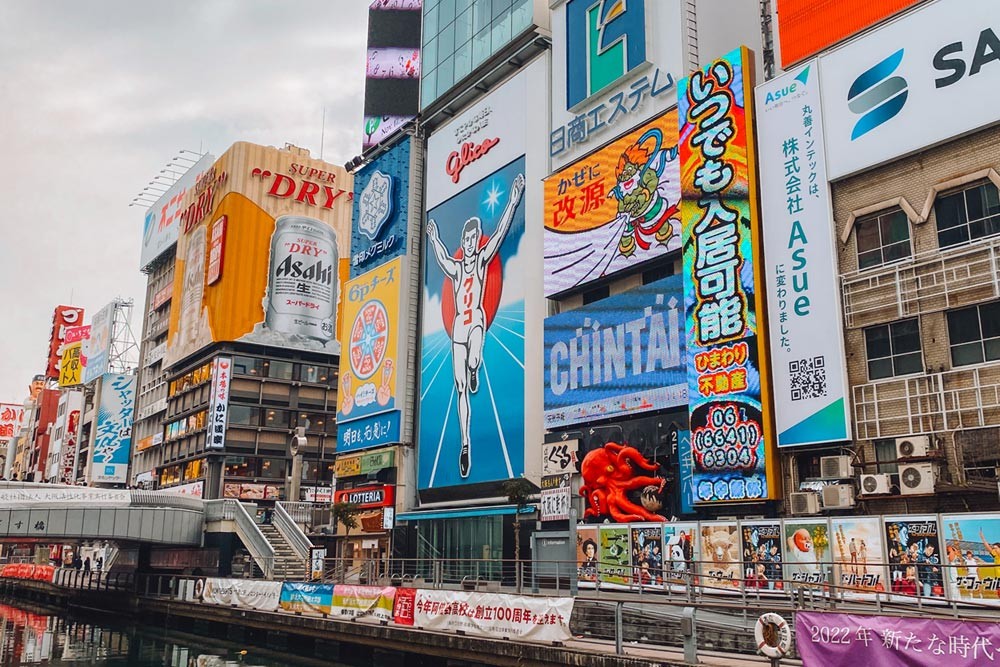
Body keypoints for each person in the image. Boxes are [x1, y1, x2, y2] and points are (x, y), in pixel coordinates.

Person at [425, 173, 525, 478]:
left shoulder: (481, 260)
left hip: (476, 320)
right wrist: (433, 237)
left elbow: (502, 231)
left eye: (474, 238)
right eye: (467, 240)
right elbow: (441, 257)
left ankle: (473, 369)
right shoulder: (456, 268)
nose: (470, 243)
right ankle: (465, 444)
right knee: (459, 389)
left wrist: (514, 199)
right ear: (463, 242)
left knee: (475, 357)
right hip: (458, 328)